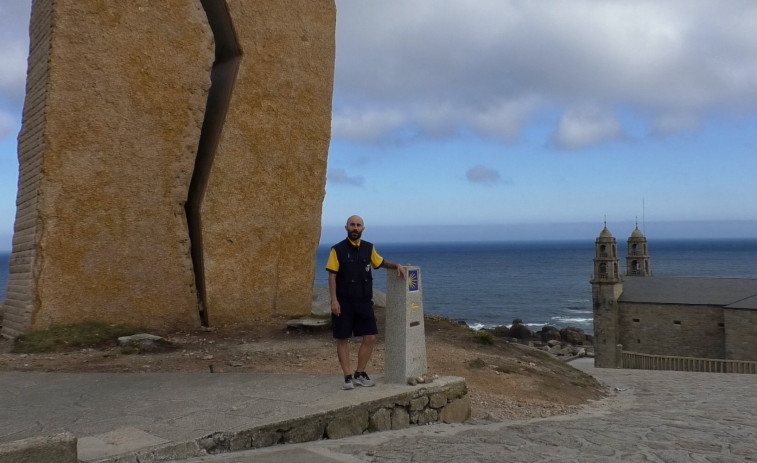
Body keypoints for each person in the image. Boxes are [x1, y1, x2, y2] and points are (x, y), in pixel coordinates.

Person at [326, 215, 406, 390]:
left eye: (358, 225)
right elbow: (332, 276)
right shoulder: (337, 250)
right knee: (342, 338)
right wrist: (334, 300)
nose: (355, 228)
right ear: (346, 227)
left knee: (370, 337)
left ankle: (359, 373)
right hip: (343, 301)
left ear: (363, 228)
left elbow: (381, 262)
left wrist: (396, 265)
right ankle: (347, 376)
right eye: (352, 225)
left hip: (364, 301)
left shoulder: (369, 248)